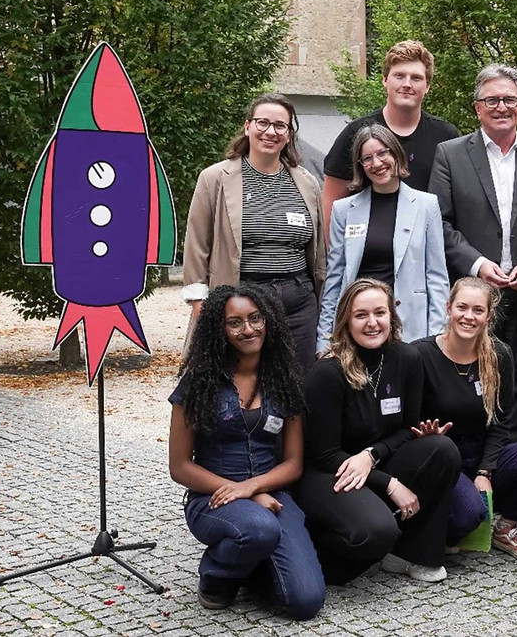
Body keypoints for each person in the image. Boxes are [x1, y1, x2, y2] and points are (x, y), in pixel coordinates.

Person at [430, 63, 517, 439]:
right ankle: (473, 467)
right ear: (477, 107)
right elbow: (439, 222)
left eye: (510, 99)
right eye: (492, 100)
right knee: (468, 387)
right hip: (473, 298)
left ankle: (512, 465)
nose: (501, 107)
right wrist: (477, 265)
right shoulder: (450, 155)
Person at [168, 284, 325, 617]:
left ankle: (251, 565)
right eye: (235, 322)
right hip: (213, 499)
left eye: (256, 318)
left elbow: (293, 464)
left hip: (272, 497)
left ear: (268, 321)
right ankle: (215, 575)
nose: (248, 329)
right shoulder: (198, 382)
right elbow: (180, 467)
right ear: (220, 329)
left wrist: (251, 488)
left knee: (305, 601)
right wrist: (242, 494)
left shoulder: (284, 380)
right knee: (259, 529)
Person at [298, 278, 461, 584]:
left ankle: (413, 553)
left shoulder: (407, 358)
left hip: (373, 462)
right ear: (346, 321)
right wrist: (389, 484)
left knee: (442, 449)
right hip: (330, 472)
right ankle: (316, 553)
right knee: (375, 533)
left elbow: (408, 428)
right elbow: (323, 454)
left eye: (379, 313)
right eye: (361, 315)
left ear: (391, 316)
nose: (372, 323)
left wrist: (371, 456)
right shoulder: (327, 372)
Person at [412, 278, 517, 562]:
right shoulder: (420, 355)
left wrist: (485, 472)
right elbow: (406, 421)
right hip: (444, 459)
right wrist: (423, 437)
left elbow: (501, 421)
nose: (468, 316)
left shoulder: (499, 355)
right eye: (462, 307)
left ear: (489, 315)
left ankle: (506, 528)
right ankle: (440, 526)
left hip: (482, 454)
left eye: (478, 310)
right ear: (448, 308)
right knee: (467, 518)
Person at [182, 93, 325, 373]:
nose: (271, 132)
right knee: (243, 382)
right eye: (263, 123)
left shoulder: (307, 182)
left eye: (280, 126)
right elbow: (197, 244)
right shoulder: (214, 179)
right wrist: (201, 306)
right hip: (242, 303)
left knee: (299, 383)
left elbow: (318, 251)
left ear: (289, 134)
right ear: (247, 126)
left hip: (299, 305)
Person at [317, 125, 449, 352]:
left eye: (382, 153)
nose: (376, 163)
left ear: (395, 153)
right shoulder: (344, 210)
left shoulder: (426, 206)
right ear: (360, 166)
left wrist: (436, 340)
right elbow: (335, 280)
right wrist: (324, 340)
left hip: (409, 328)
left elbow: (437, 278)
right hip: (359, 328)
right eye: (367, 158)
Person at [322, 40, 461, 232]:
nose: (407, 84)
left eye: (416, 78)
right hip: (368, 247)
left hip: (428, 245)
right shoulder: (356, 134)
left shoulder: (446, 136)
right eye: (399, 76)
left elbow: (455, 205)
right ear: (385, 80)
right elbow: (331, 205)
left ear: (427, 86)